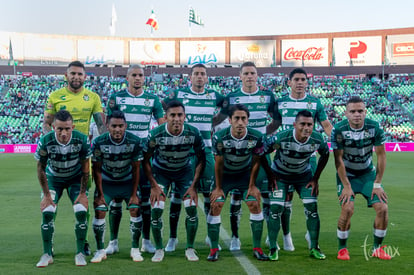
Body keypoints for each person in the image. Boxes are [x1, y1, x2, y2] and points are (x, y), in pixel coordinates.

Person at [43, 60, 106, 255]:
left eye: (80, 74)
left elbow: (101, 125)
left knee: (82, 201)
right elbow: (46, 124)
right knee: (50, 204)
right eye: (73, 74)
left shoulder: (93, 97)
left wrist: (102, 146)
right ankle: (49, 245)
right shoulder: (55, 96)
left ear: (85, 77)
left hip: (81, 158)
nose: (76, 77)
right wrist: (49, 146)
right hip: (58, 157)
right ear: (66, 75)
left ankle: (84, 241)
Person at [213, 61, 278, 251]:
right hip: (238, 150)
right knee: (236, 196)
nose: (250, 76)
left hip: (259, 150)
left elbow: (277, 119)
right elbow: (220, 118)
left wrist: (262, 134)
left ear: (257, 76)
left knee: (264, 195)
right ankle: (235, 237)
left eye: (253, 73)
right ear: (240, 76)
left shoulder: (267, 96)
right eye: (246, 73)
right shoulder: (232, 97)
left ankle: (269, 239)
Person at [162, 63, 225, 252]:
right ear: (190, 77)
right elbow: (164, 105)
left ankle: (209, 236)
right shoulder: (180, 94)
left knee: (208, 195)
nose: (199, 77)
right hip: (183, 150)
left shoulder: (214, 96)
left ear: (206, 78)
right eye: (196, 73)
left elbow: (227, 108)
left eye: (202, 74)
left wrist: (215, 121)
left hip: (205, 151)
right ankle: (173, 238)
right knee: (177, 196)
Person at [105, 64, 165, 255]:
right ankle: (113, 242)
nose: (138, 78)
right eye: (134, 75)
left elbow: (162, 124)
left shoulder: (152, 99)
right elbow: (108, 124)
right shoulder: (116, 98)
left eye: (141, 75)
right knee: (115, 200)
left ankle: (146, 241)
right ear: (127, 78)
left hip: (144, 155)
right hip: (120, 156)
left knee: (145, 200)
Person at [272, 68, 333, 251]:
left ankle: (310, 235)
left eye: (303, 79)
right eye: (296, 79)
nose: (300, 82)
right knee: (285, 198)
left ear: (307, 83)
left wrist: (338, 143)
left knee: (310, 197)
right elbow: (272, 126)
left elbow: (326, 125)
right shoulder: (280, 102)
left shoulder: (315, 102)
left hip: (308, 157)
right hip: (284, 155)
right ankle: (286, 235)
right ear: (289, 82)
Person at [143, 100, 206, 262]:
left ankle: (190, 248)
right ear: (166, 117)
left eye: (180, 115)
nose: (176, 118)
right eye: (172, 115)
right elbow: (145, 160)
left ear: (185, 117)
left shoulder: (194, 133)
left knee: (191, 206)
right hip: (161, 172)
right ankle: (159, 249)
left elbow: (201, 160)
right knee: (157, 207)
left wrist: (194, 186)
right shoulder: (156, 134)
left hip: (184, 172)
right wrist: (154, 185)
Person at [263, 110, 329, 261]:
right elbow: (262, 152)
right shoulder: (281, 138)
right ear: (294, 125)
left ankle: (314, 247)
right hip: (280, 176)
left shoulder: (317, 139)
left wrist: (316, 178)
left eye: (310, 124)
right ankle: (273, 248)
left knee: (312, 208)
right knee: (276, 208)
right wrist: (270, 174)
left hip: (303, 176)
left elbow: (325, 154)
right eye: (303, 124)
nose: (306, 128)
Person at [331, 96, 391, 261]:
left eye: (360, 111)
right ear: (346, 113)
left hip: (367, 175)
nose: (357, 114)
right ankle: (342, 249)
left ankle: (377, 248)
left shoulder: (374, 127)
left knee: (383, 209)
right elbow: (338, 160)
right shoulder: (338, 129)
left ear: (365, 112)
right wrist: (346, 185)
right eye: (353, 111)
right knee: (348, 208)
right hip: (347, 175)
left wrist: (377, 183)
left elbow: (381, 156)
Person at [207, 104, 268, 261]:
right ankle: (213, 249)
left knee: (254, 203)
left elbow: (256, 162)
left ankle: (257, 248)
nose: (240, 122)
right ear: (230, 120)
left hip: (244, 175)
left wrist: (252, 185)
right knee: (216, 204)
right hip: (225, 175)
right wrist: (218, 188)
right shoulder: (219, 137)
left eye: (243, 119)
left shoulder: (256, 137)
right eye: (237, 118)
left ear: (248, 121)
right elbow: (218, 163)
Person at [34, 110, 91, 267]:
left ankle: (80, 253)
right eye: (60, 129)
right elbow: (40, 168)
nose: (64, 133)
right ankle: (47, 254)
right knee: (48, 211)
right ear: (53, 127)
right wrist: (46, 195)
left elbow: (86, 167)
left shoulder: (82, 140)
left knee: (81, 210)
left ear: (72, 127)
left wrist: (82, 193)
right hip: (54, 179)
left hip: (75, 179)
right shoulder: (46, 140)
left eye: (67, 128)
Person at [90, 110, 145, 263]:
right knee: (100, 210)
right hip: (108, 182)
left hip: (127, 182)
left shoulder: (134, 141)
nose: (117, 129)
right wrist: (100, 194)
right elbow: (97, 169)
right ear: (107, 126)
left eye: (121, 126)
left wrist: (134, 194)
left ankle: (135, 249)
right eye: (114, 126)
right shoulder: (99, 142)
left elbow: (136, 169)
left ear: (125, 126)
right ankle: (100, 250)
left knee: (135, 207)